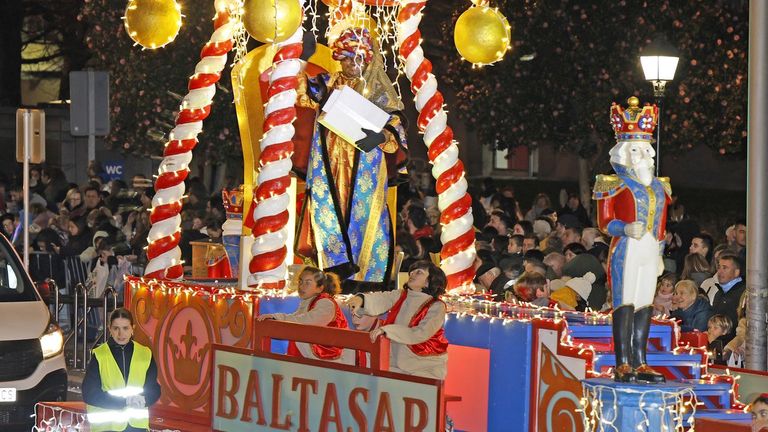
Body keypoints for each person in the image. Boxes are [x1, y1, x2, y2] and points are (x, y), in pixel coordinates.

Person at [293, 27, 407, 288]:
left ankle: (366, 281)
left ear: (366, 59)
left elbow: (396, 125)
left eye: (355, 58)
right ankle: (332, 274)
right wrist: (302, 59)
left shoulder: (378, 91)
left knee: (365, 218)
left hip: (365, 165)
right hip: (329, 163)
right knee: (329, 212)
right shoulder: (327, 83)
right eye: (344, 58)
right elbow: (300, 95)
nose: (350, 64)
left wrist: (380, 138)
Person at [593, 97, 671, 383]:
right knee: (625, 301)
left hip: (651, 250)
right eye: (636, 149)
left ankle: (641, 361)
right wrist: (624, 229)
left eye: (646, 149)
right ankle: (623, 362)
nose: (645, 155)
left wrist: (661, 252)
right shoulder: (611, 184)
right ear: (625, 152)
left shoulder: (660, 186)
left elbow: (661, 224)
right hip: (627, 248)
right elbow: (604, 223)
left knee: (644, 302)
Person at [345, 260, 448, 379]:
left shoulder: (436, 306)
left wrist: (387, 330)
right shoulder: (401, 295)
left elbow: (420, 333)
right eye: (412, 271)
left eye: (418, 272)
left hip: (424, 366)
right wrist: (361, 300)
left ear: (429, 281)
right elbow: (382, 299)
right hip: (395, 363)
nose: (412, 274)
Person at [83, 308, 161, 432]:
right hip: (107, 427)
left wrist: (144, 399)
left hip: (137, 426)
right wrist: (124, 402)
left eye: (125, 328)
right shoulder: (100, 355)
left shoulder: (145, 354)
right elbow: (89, 394)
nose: (121, 334)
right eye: (116, 328)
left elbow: (154, 388)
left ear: (132, 328)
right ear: (109, 329)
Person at [257, 266, 353, 364]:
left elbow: (306, 321)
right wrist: (275, 318)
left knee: (297, 338)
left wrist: (278, 317)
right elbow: (296, 317)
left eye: (308, 283)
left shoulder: (326, 303)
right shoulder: (308, 301)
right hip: (315, 351)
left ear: (320, 288)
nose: (302, 286)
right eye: (300, 282)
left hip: (329, 354)